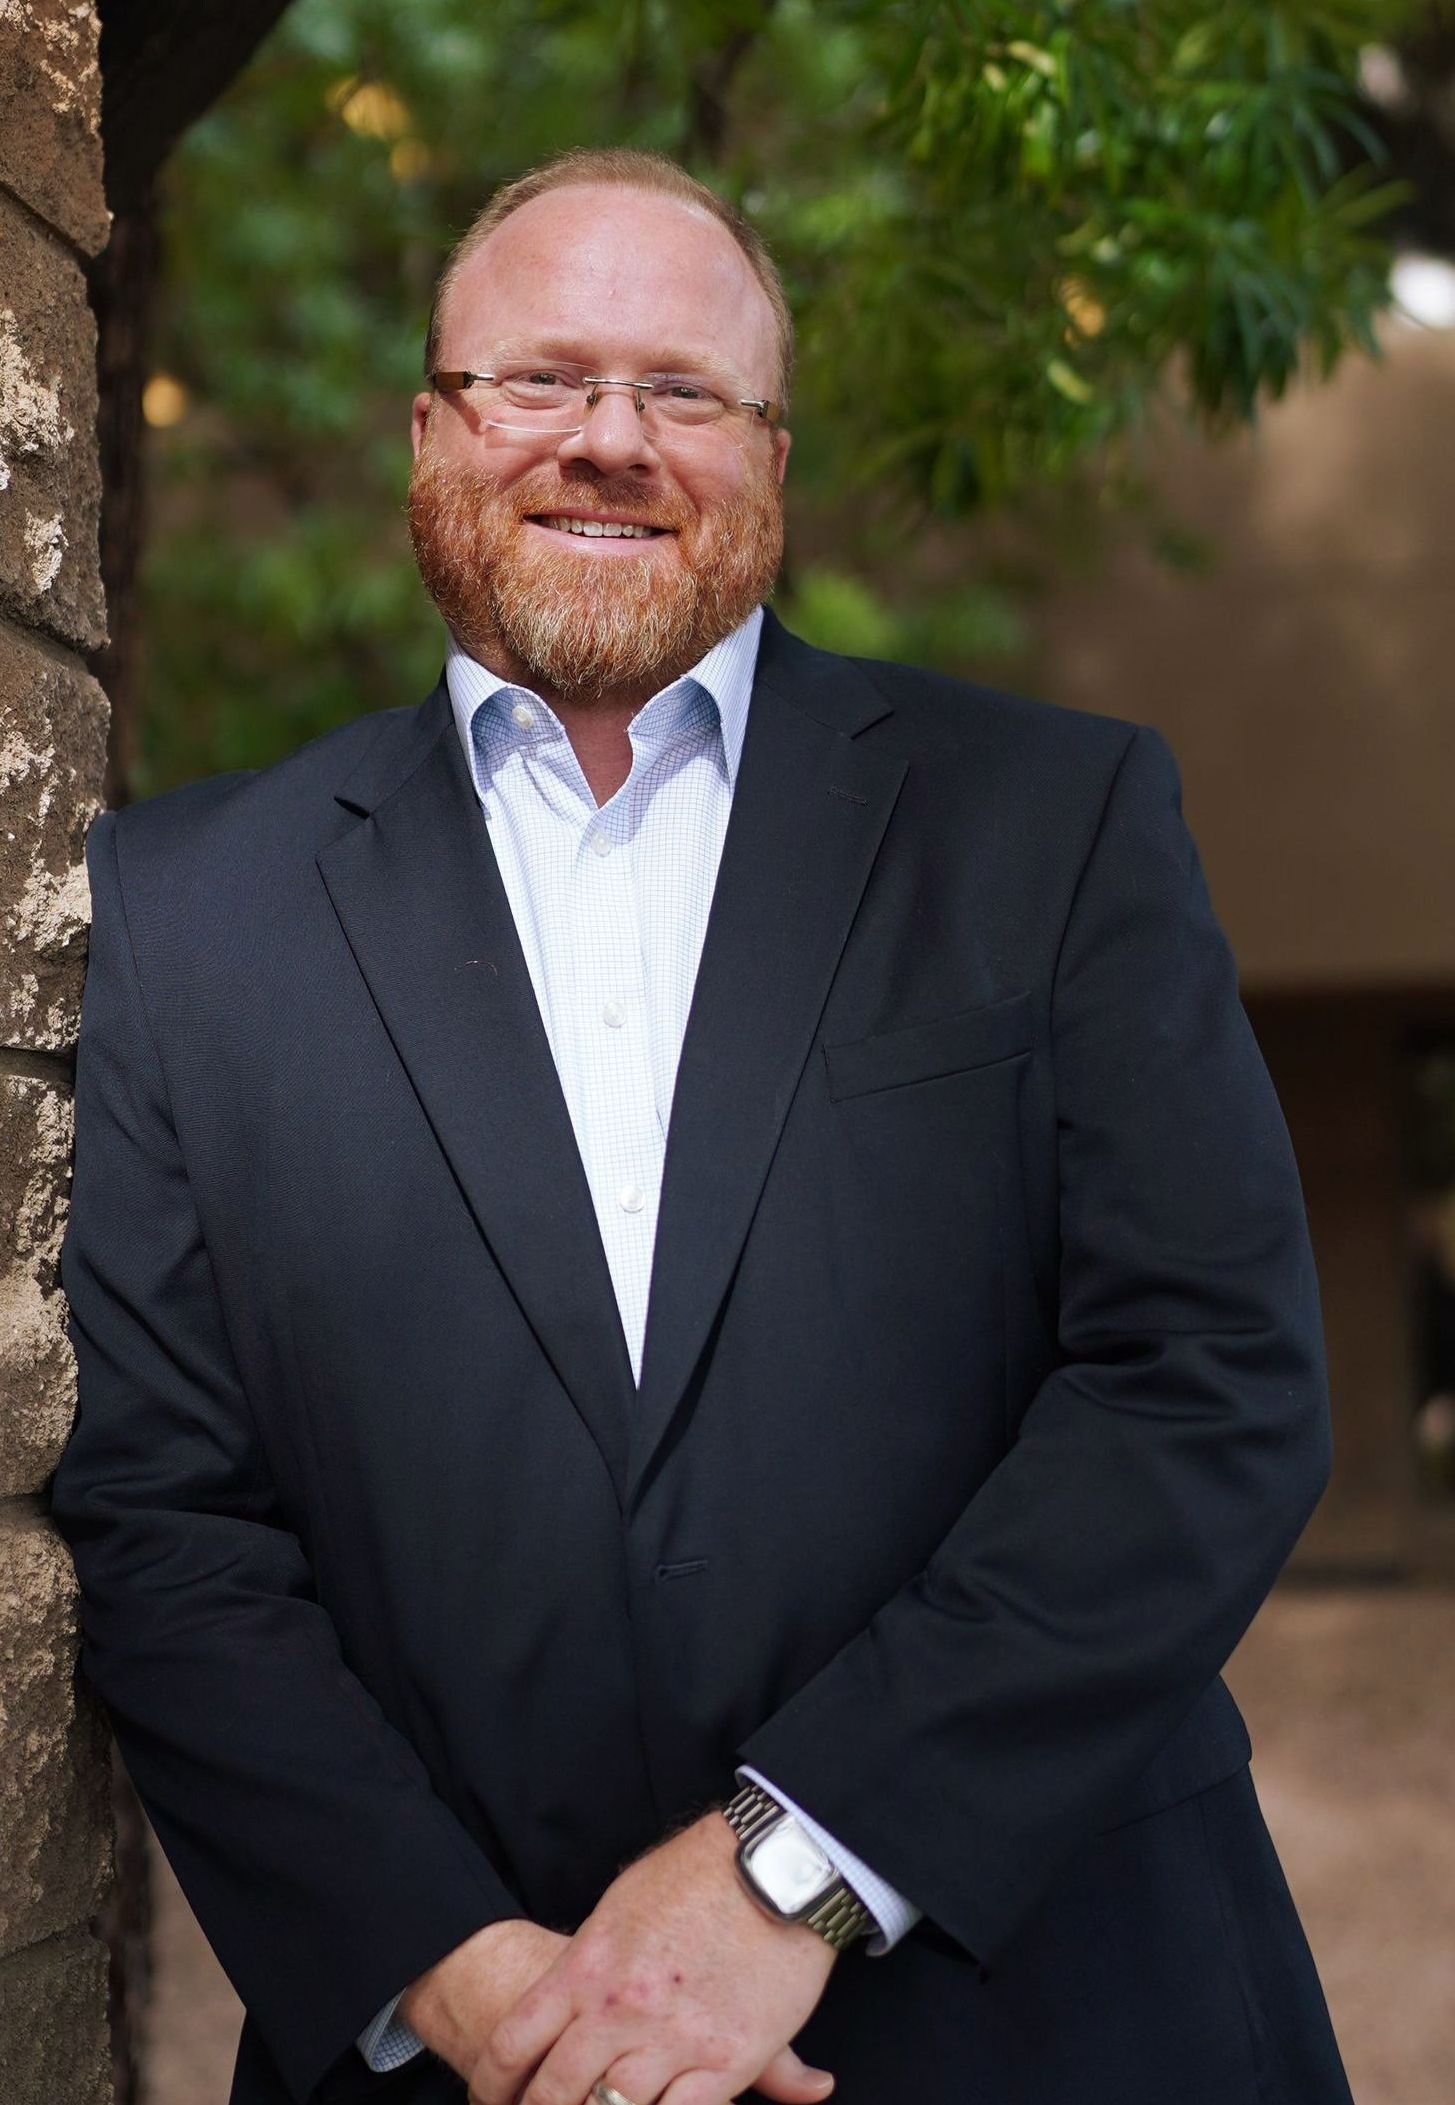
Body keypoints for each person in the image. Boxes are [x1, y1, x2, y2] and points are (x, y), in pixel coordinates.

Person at [50, 146, 1355, 2105]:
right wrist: (462, 1969)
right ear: (429, 430)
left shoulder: (1048, 827)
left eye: (683, 392)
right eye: (539, 379)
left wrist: (790, 1877)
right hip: (466, 2050)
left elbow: (1206, 1384)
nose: (607, 440)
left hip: (1061, 2014)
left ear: (770, 455)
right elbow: (162, 1513)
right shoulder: (189, 908)